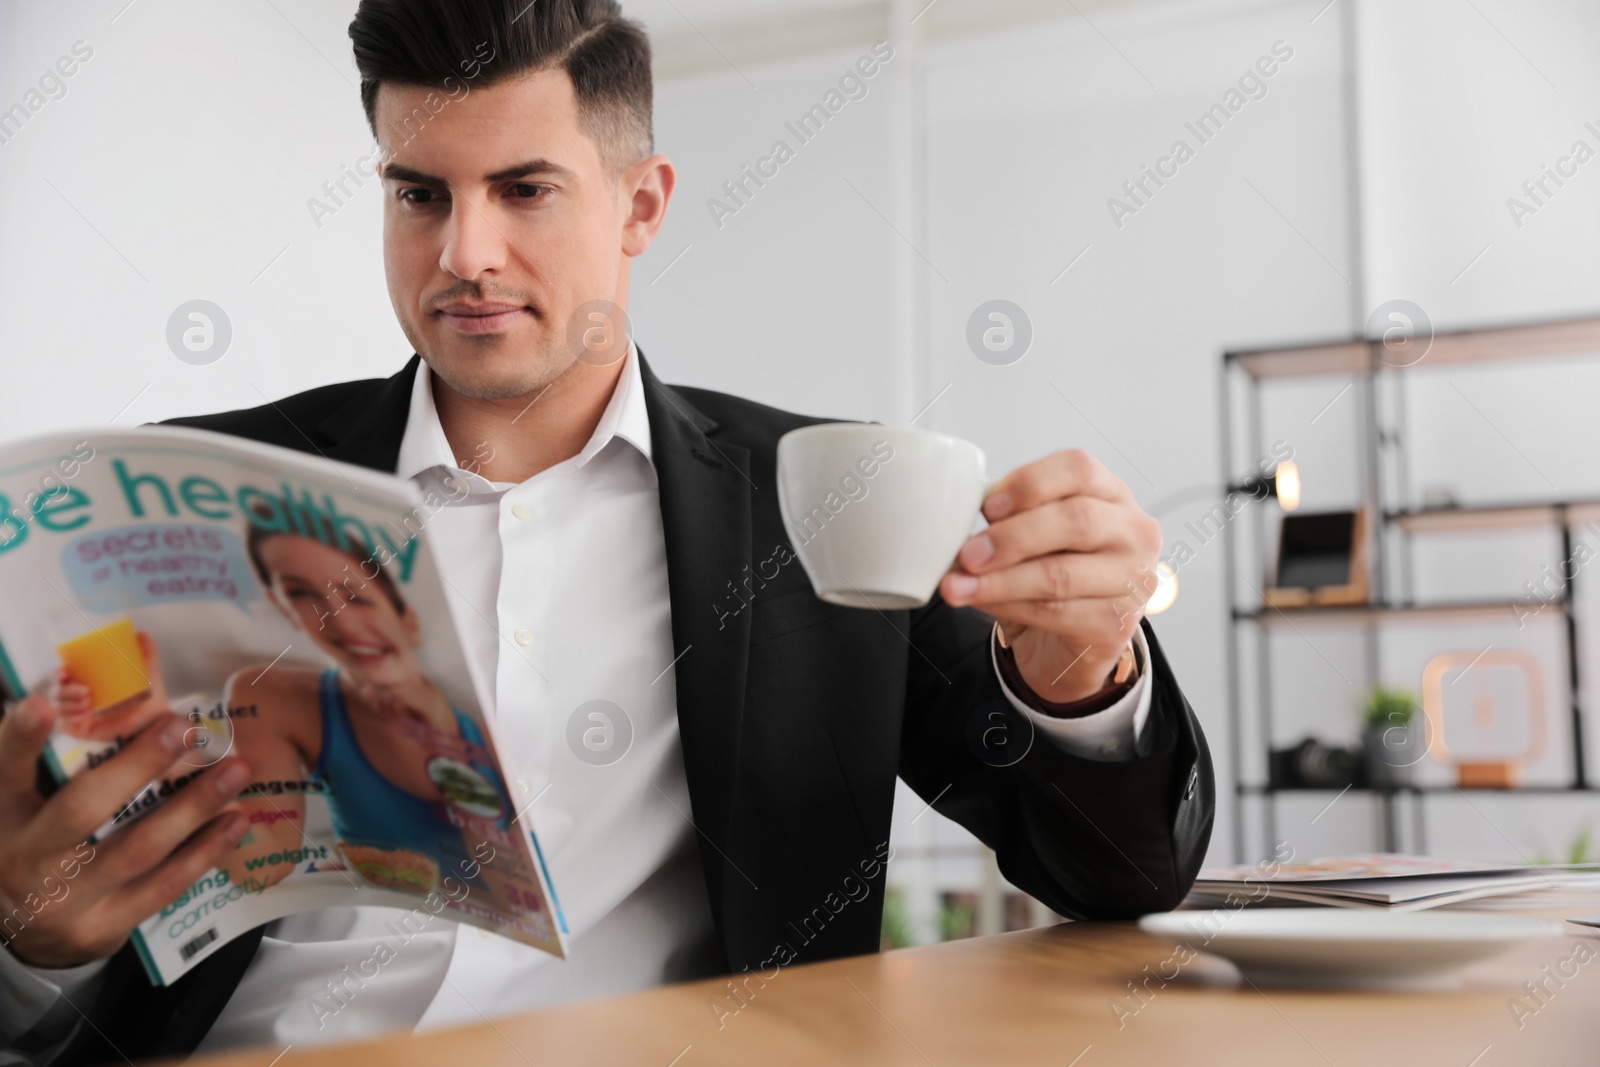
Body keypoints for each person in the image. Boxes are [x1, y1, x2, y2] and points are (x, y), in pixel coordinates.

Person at [0, 1, 1214, 1062]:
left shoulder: (826, 499)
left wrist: (1082, 677)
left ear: (641, 204)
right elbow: (53, 946)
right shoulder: (198, 489)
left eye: (523, 188)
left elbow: (1116, 875)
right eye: (419, 193)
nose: (463, 253)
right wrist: (29, 938)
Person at [210, 503, 515, 904]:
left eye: (357, 595)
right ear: (283, 607)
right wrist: (174, 772)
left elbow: (511, 897)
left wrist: (448, 744)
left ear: (408, 619)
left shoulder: (489, 722)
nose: (341, 621)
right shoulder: (273, 695)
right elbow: (261, 866)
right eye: (301, 594)